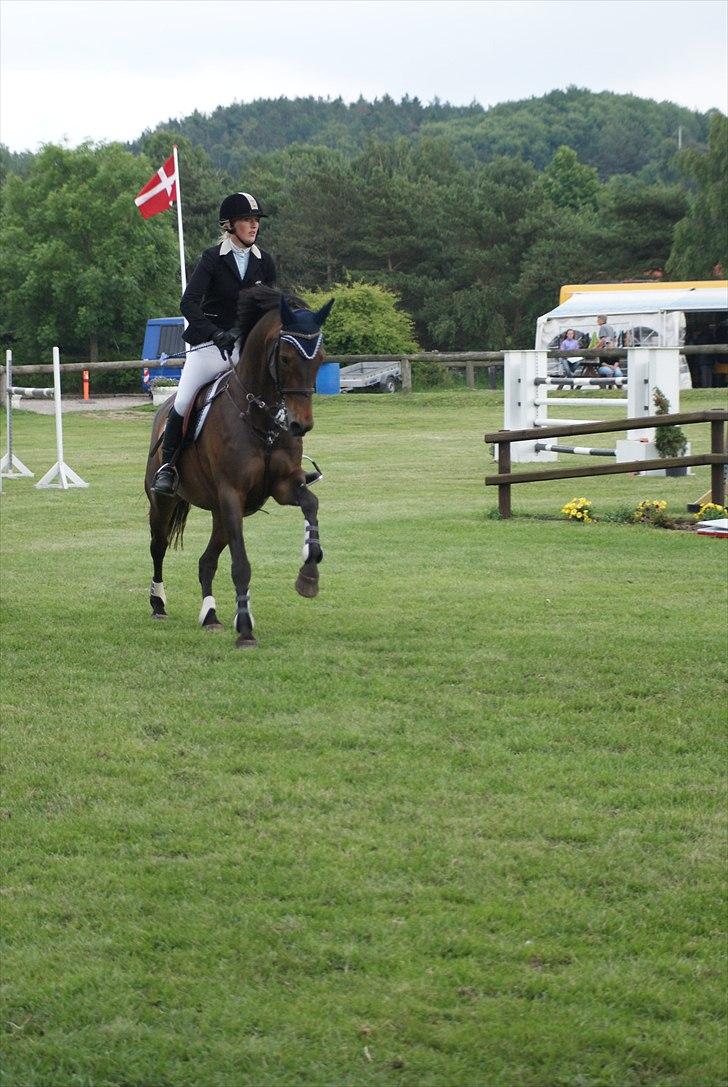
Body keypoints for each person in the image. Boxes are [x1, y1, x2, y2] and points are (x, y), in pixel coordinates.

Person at [152, 192, 277, 496]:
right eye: (247, 220)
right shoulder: (212, 259)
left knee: (278, 397)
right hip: (210, 348)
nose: (253, 225)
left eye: (256, 220)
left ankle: (285, 465)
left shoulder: (265, 263)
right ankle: (167, 467)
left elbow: (270, 307)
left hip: (246, 349)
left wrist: (240, 330)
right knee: (182, 401)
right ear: (231, 224)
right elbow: (188, 304)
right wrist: (215, 332)